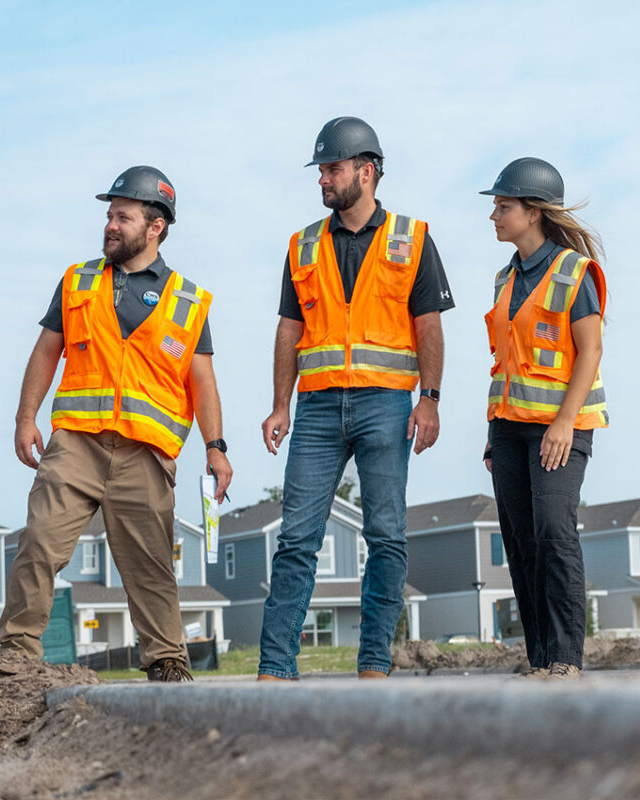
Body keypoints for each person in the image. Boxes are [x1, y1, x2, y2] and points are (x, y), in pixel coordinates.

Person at [0, 166, 233, 682]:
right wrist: (25, 417)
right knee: (38, 543)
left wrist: (216, 448)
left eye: (122, 217)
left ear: (156, 227)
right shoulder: (78, 281)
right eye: (109, 215)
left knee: (150, 567)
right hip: (75, 445)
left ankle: (166, 660)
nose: (110, 225)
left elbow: (203, 381)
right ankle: (16, 655)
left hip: (145, 456)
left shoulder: (188, 302)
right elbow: (46, 351)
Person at [258, 117, 454, 680]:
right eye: (321, 169)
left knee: (385, 535)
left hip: (387, 404)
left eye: (332, 168)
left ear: (365, 172)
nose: (323, 178)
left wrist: (430, 399)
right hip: (317, 409)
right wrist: (280, 405)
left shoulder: (412, 238)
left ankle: (374, 664)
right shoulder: (303, 244)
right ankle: (275, 668)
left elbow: (429, 327)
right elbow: (288, 332)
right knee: (296, 538)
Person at [480, 157, 608, 680]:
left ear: (533, 212)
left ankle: (565, 660)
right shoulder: (503, 278)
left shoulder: (574, 273)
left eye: (503, 206)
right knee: (521, 538)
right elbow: (504, 363)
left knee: (555, 531)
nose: (494, 215)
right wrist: (493, 436)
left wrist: (563, 424)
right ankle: (539, 659)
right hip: (509, 430)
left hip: (562, 428)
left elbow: (591, 351)